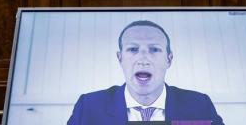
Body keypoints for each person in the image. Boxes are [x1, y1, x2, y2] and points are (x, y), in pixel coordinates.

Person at [67, 20, 224, 125]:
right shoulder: (88, 107)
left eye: (154, 49)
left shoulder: (199, 104)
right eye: (133, 49)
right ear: (120, 58)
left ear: (169, 59)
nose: (143, 59)